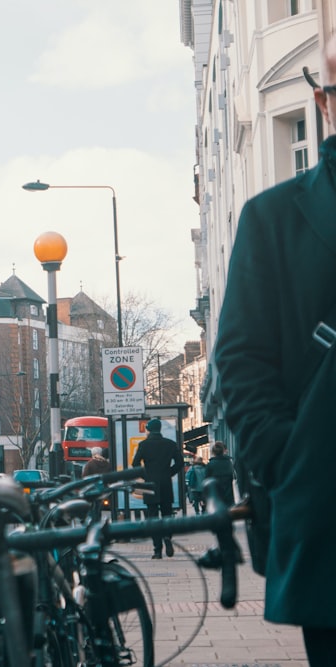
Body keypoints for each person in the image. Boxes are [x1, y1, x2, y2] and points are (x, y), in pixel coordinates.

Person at [214, 40, 336, 664]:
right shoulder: (274, 219)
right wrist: (289, 462)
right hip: (329, 513)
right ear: (325, 103)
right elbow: (241, 359)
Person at [130, 419, 183, 558]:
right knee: (167, 514)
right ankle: (167, 536)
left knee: (153, 517)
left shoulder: (144, 445)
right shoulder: (170, 444)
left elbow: (135, 463)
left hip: (150, 485)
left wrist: (146, 475)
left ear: (149, 429)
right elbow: (180, 463)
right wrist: (169, 473)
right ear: (159, 429)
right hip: (166, 483)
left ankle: (157, 550)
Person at [203, 442, 235, 506]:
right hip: (229, 495)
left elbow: (206, 482)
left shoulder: (210, 465)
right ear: (223, 451)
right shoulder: (229, 463)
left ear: (213, 452)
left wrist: (204, 499)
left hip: (215, 496)